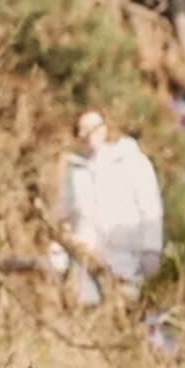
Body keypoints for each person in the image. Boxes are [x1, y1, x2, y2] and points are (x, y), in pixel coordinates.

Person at [50, 110, 165, 305]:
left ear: (105, 129)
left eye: (94, 127)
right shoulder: (75, 171)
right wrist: (60, 258)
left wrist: (151, 250)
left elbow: (151, 210)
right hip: (86, 269)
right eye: (82, 130)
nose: (89, 134)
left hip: (128, 265)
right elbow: (65, 217)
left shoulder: (133, 162)